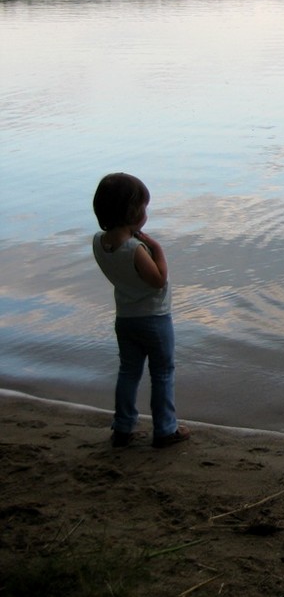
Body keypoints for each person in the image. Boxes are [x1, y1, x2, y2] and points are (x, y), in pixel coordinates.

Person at [92, 173, 190, 449]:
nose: (146, 213)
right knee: (162, 372)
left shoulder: (99, 242)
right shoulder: (135, 249)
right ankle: (166, 429)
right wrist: (157, 248)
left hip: (125, 320)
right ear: (133, 212)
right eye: (144, 207)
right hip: (154, 320)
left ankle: (123, 427)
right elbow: (157, 280)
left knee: (128, 372)